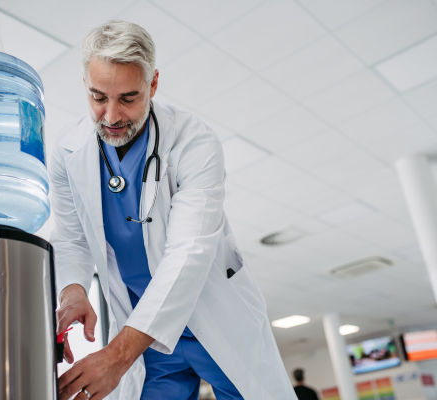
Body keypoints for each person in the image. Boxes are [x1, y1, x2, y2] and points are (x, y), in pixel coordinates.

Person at [50, 20, 297, 400]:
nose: (112, 116)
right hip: (144, 333)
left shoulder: (194, 144)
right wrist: (73, 292)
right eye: (98, 97)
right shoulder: (68, 152)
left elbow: (188, 255)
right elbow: (70, 237)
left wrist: (116, 356)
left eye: (128, 98)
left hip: (213, 318)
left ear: (153, 84)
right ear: (85, 85)